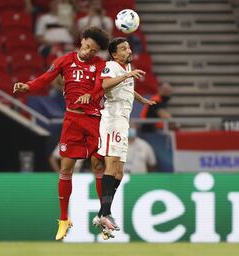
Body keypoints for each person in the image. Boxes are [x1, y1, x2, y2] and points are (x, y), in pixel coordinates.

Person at [13, 27, 110, 240]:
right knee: (66, 168)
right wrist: (27, 87)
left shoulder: (101, 65)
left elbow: (102, 87)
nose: (88, 52)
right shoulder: (65, 60)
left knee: (98, 165)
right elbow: (46, 78)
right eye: (87, 46)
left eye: (93, 50)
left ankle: (104, 215)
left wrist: (90, 95)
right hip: (72, 120)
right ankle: (64, 219)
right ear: (82, 41)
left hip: (94, 120)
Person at [92, 37, 156, 239]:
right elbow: (105, 85)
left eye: (128, 47)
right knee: (111, 168)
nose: (128, 50)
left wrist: (140, 98)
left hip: (122, 122)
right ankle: (105, 214)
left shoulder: (126, 67)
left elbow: (126, 87)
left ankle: (103, 212)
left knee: (119, 172)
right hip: (112, 120)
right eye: (123, 48)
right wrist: (128, 74)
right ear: (114, 54)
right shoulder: (111, 66)